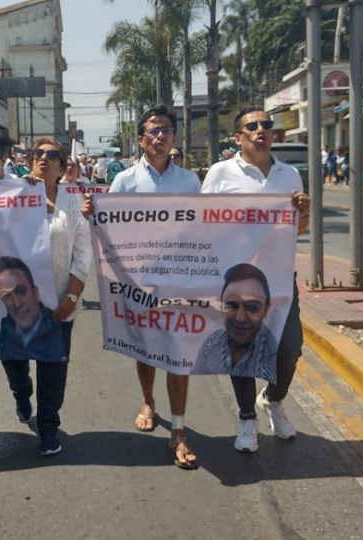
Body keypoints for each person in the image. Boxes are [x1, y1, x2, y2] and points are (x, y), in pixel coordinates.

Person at [201, 107, 310, 453]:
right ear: (238, 137)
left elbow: (299, 230)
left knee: (289, 349)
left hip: (279, 279)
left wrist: (302, 212)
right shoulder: (221, 173)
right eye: (252, 126)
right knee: (242, 350)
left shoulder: (290, 175)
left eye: (266, 125)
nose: (261, 129)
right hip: (237, 282)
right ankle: (247, 417)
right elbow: (201, 221)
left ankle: (273, 400)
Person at [108, 104, 201, 469]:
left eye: (165, 130)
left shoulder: (191, 182)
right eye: (153, 131)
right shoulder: (125, 181)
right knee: (146, 348)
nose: (159, 136)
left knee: (178, 352)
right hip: (139, 282)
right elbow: (108, 224)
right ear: (141, 140)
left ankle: (178, 430)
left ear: (174, 137)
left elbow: (203, 228)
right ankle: (148, 400)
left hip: (180, 280)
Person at [0, 137, 92, 456]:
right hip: (17, 305)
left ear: (62, 166)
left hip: (57, 304)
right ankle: (22, 394)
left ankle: (48, 427)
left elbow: (82, 254)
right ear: (30, 161)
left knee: (53, 368)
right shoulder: (14, 196)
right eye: (38, 153)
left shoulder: (72, 203)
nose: (44, 158)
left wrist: (72, 297)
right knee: (14, 362)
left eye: (52, 155)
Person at [192, 264, 279, 379]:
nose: (240, 317)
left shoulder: (273, 355)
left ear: (266, 309)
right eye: (231, 305)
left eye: (252, 307)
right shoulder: (213, 342)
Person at [0, 257, 68, 363]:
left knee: (52, 378)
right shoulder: (1, 332)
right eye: (7, 296)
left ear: (35, 292)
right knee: (16, 379)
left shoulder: (54, 323)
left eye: (21, 291)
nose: (17, 304)